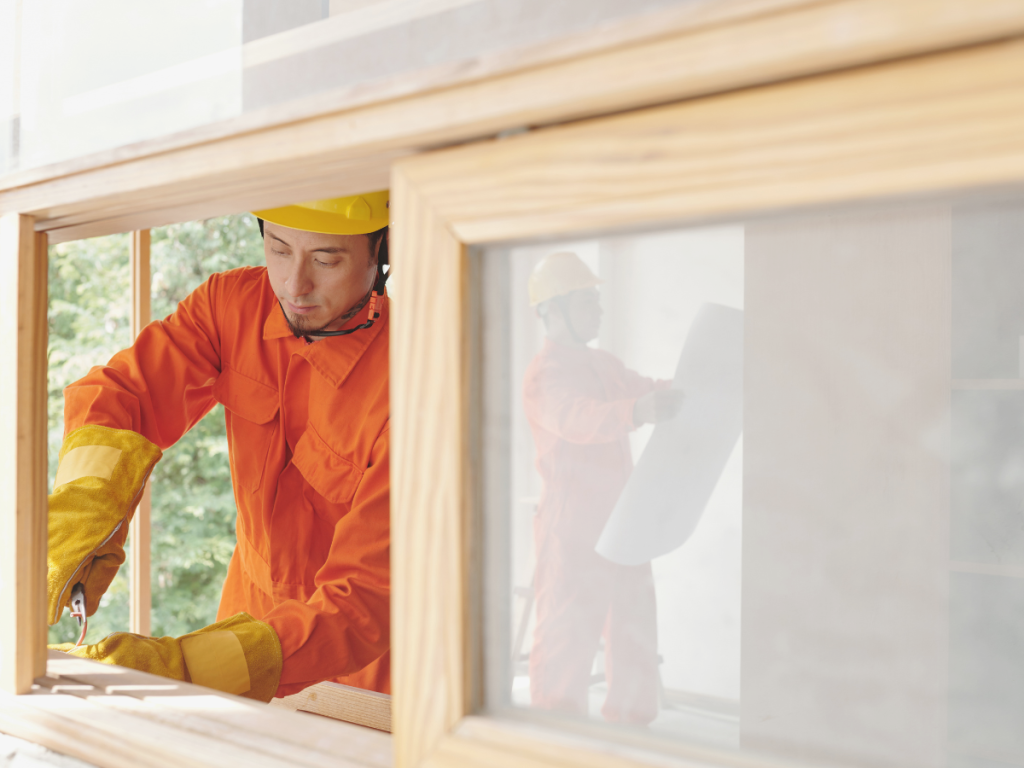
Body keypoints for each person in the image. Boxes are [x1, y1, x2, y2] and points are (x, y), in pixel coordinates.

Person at [46, 193, 392, 702]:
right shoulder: (231, 306)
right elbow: (121, 396)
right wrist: (80, 517)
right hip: (242, 626)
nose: (296, 286)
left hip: (364, 670)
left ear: (381, 251)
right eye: (278, 248)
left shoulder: (413, 374)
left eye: (325, 259)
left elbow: (365, 597)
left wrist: (178, 669)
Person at [522, 251, 684, 723]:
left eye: (597, 299)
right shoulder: (545, 374)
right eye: (587, 300)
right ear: (552, 310)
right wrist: (638, 412)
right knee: (566, 630)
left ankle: (629, 725)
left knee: (634, 622)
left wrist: (696, 385)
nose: (599, 310)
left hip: (623, 517)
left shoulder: (603, 363)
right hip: (572, 526)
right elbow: (577, 418)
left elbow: (646, 388)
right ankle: (557, 730)